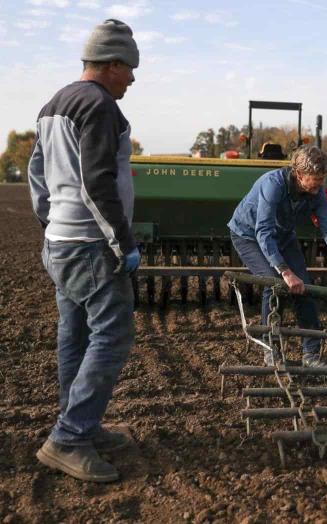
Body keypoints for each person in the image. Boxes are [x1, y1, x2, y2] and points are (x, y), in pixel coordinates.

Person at [27, 19, 140, 482]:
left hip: (60, 241)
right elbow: (98, 183)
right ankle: (69, 436)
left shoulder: (55, 103)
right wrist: (122, 242)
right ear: (111, 64)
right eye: (129, 68)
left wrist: (52, 224)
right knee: (113, 336)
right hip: (90, 245)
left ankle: (79, 424)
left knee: (74, 335)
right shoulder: (100, 107)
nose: (132, 78)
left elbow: (36, 175)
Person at [228, 146, 327, 367]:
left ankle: (310, 354)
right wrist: (285, 271)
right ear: (300, 175)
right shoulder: (273, 184)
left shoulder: (317, 192)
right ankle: (270, 348)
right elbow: (263, 231)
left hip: (283, 236)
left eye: (323, 178)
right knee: (274, 284)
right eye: (316, 179)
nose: (320, 184)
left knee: (305, 287)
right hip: (248, 236)